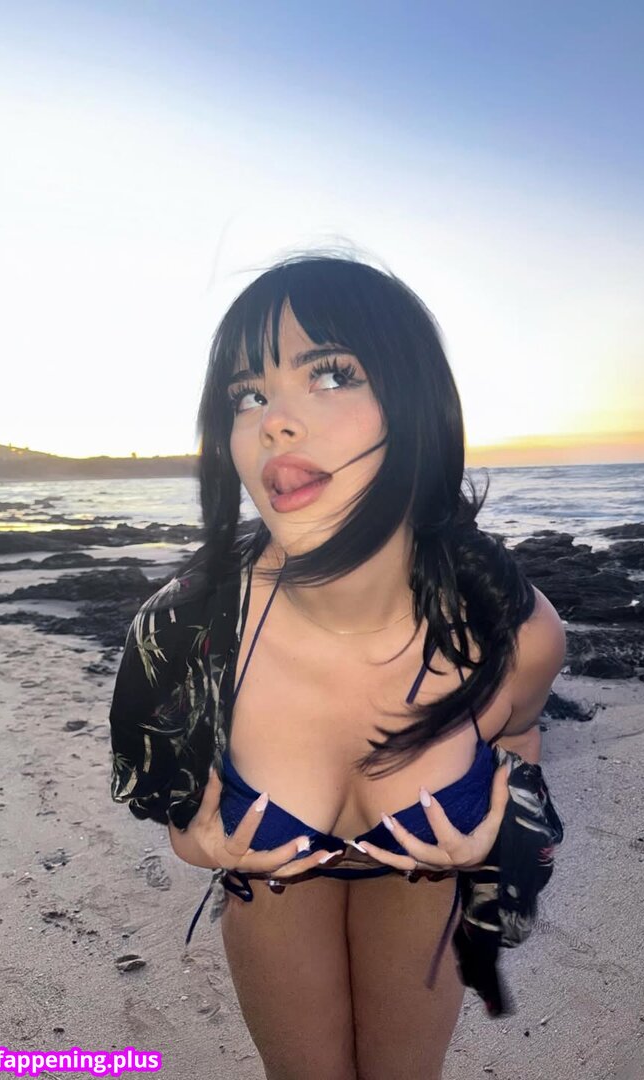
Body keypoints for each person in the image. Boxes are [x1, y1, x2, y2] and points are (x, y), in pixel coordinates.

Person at [138, 253, 566, 1079]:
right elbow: (163, 776)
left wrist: (505, 837)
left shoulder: (513, 633)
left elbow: (522, 738)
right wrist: (187, 834)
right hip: (271, 900)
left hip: (422, 897)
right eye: (246, 395)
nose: (274, 421)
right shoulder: (186, 630)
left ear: (414, 403)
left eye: (330, 374)